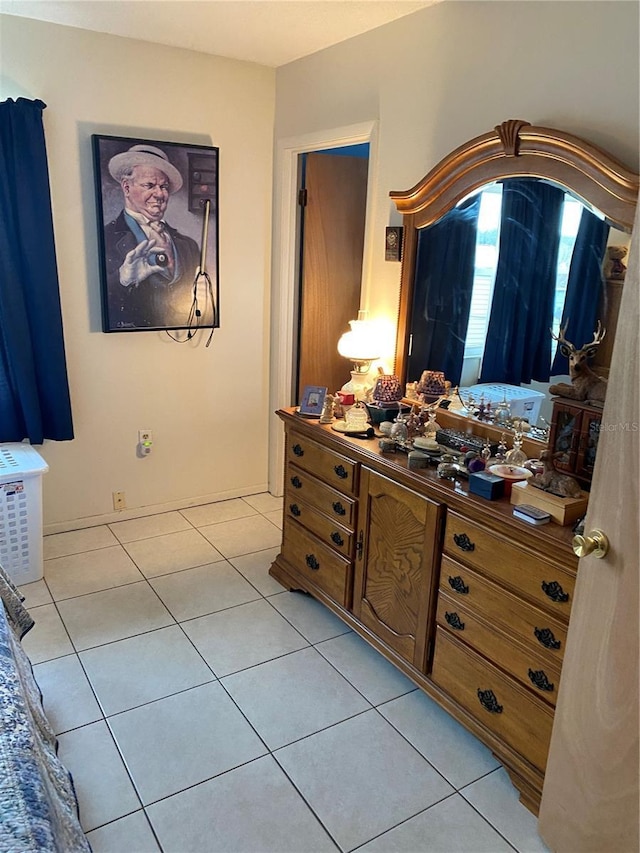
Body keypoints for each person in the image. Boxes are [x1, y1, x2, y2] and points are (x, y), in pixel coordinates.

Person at [104, 144, 202, 329]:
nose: (159, 194)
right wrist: (123, 278)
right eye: (149, 185)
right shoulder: (106, 238)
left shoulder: (189, 245)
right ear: (126, 187)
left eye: (164, 187)